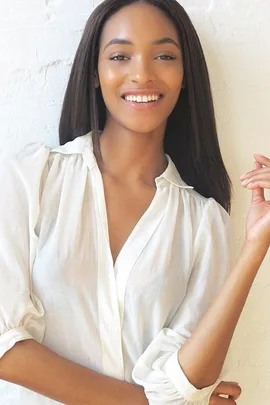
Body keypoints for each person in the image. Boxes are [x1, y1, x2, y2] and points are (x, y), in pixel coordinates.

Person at [0, 0, 269, 404]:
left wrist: (255, 246)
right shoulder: (30, 178)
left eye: (164, 55)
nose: (142, 73)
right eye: (120, 56)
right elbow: (6, 347)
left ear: (184, 76)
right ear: (95, 72)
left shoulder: (202, 220)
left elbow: (185, 380)